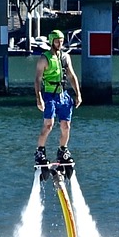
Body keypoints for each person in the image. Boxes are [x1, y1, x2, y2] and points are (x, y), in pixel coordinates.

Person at [34, 29, 82, 166]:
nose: (59, 43)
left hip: (63, 95)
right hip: (49, 94)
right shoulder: (44, 58)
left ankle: (63, 150)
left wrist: (78, 94)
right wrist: (39, 98)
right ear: (51, 41)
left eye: (61, 41)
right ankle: (40, 151)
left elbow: (72, 76)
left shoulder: (65, 57)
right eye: (57, 41)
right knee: (48, 124)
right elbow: (37, 79)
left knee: (66, 125)